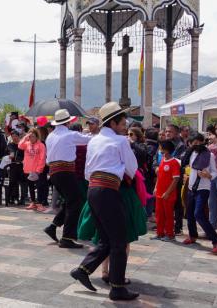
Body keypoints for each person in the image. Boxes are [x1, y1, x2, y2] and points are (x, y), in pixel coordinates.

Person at [70, 102, 139, 301]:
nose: (126, 122)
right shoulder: (120, 141)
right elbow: (132, 169)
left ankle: (83, 269)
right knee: (119, 240)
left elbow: (87, 172)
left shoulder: (94, 140)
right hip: (108, 190)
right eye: (123, 119)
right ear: (114, 122)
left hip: (93, 189)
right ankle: (117, 288)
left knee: (106, 240)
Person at [43, 109, 91, 249]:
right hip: (65, 172)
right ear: (68, 122)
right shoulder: (70, 135)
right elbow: (90, 140)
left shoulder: (50, 136)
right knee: (75, 202)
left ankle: (53, 226)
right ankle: (67, 237)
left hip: (54, 172)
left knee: (70, 201)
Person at [183, 132, 217, 254]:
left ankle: (216, 240)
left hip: (203, 187)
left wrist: (208, 175)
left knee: (198, 213)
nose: (197, 145)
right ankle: (193, 235)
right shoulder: (191, 153)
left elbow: (214, 173)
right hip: (191, 186)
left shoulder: (209, 155)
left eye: (199, 142)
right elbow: (185, 165)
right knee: (189, 213)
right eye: (194, 143)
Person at [152, 140, 180, 241]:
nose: (159, 150)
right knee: (159, 214)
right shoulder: (163, 159)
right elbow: (160, 176)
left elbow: (176, 179)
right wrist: (156, 187)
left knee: (168, 215)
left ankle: (170, 234)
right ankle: (160, 233)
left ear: (166, 150)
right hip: (159, 193)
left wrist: (167, 192)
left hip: (168, 195)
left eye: (160, 148)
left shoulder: (174, 162)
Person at [18, 128, 46, 210]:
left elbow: (42, 158)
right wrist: (26, 137)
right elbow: (20, 145)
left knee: (39, 186)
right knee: (30, 187)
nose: (31, 138)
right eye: (30, 137)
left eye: (33, 136)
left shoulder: (41, 145)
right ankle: (33, 202)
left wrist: (39, 169)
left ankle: (40, 203)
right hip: (28, 169)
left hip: (37, 170)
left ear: (37, 137)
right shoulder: (26, 144)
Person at [207, 125, 217, 229]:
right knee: (212, 202)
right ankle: (211, 227)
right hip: (212, 176)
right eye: (216, 129)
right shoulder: (212, 143)